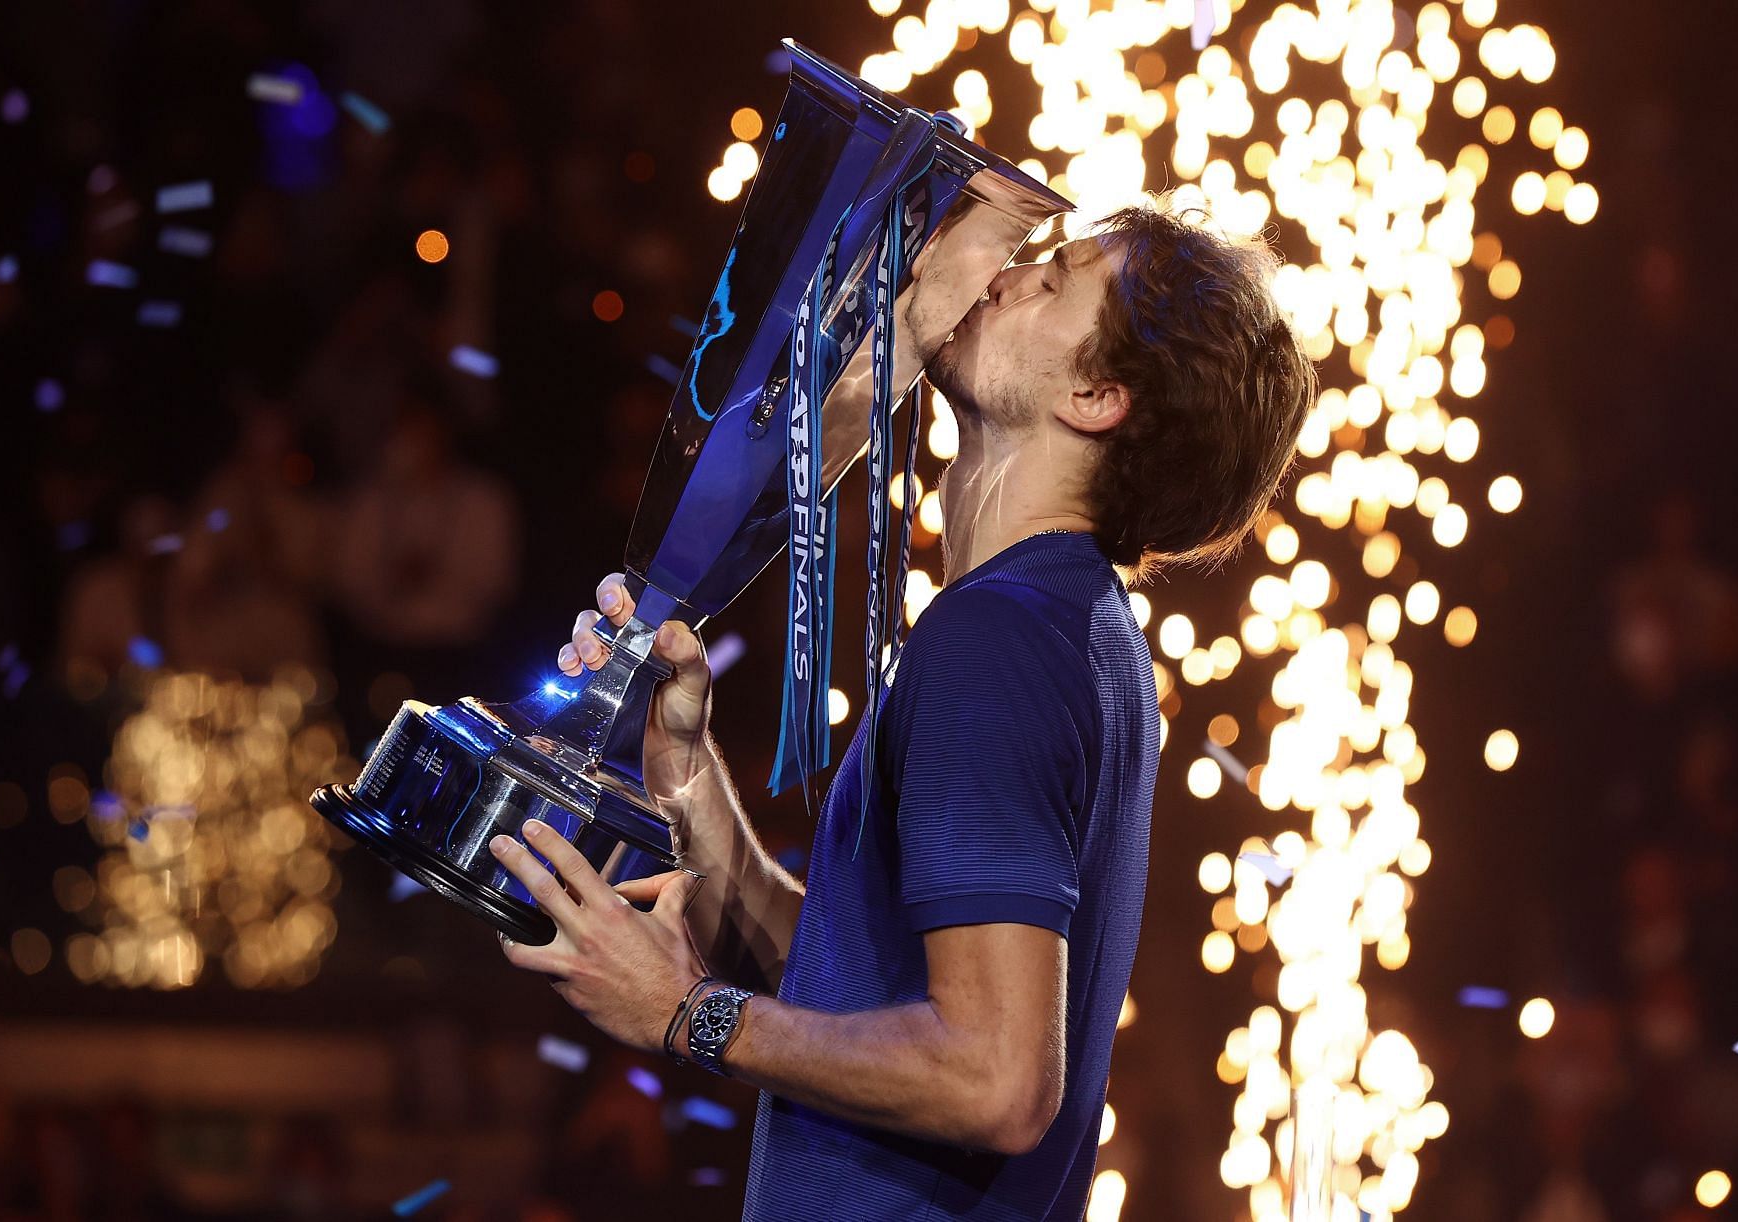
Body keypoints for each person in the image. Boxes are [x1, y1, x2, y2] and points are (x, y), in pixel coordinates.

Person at [487, 201, 1317, 1219]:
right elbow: (861, 992)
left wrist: (689, 1015)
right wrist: (687, 777)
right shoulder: (1070, 627)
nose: (1005, 277)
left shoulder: (1004, 639)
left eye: (1053, 280)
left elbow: (996, 1081)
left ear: (1099, 395)